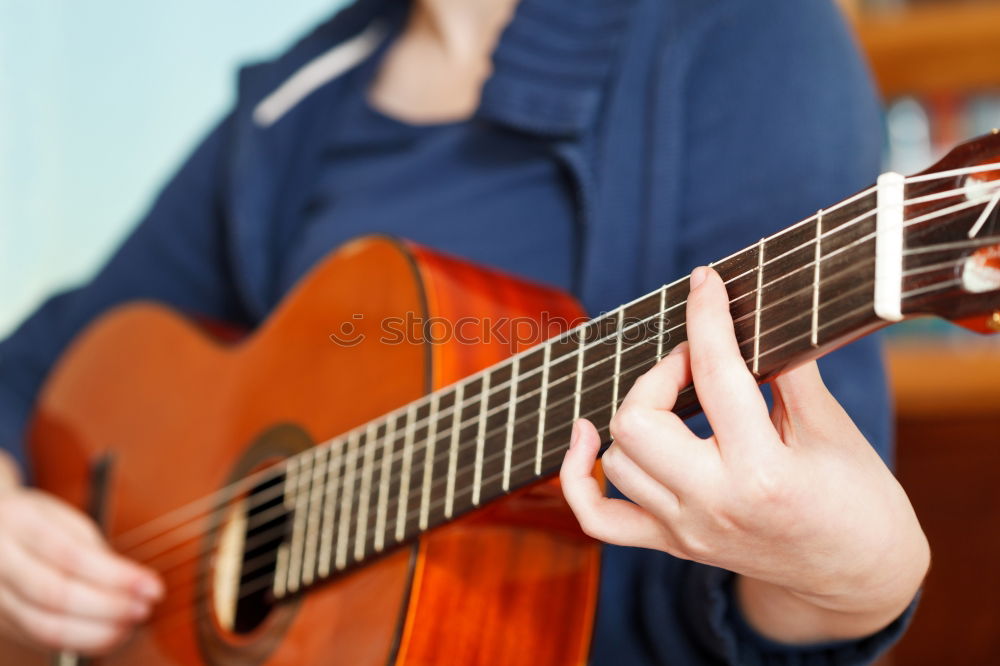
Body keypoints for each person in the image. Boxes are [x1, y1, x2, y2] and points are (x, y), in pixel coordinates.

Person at [0, 0, 929, 662]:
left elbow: (802, 525)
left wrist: (859, 579)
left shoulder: (747, 31)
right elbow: (35, 373)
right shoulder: (298, 101)